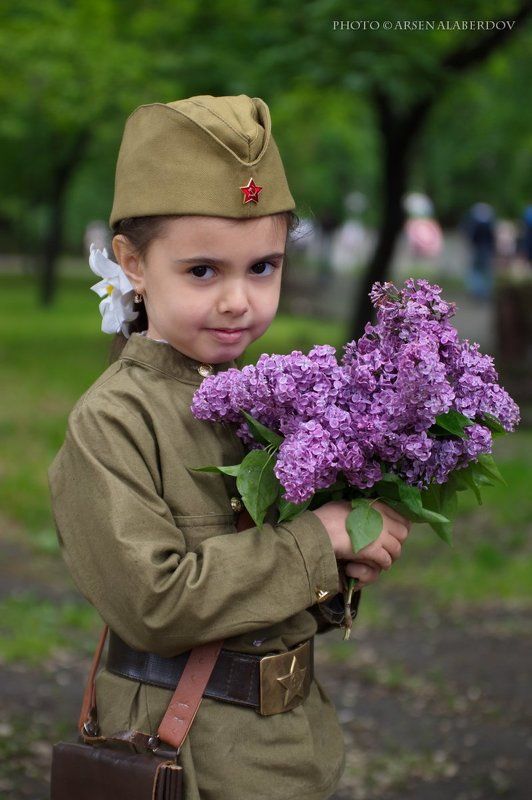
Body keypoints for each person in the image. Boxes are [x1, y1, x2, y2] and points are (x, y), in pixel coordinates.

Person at [47, 95, 410, 800]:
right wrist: (314, 542)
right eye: (204, 271)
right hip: (188, 761)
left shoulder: (269, 395)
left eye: (263, 267)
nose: (239, 300)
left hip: (294, 747)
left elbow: (276, 596)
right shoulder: (115, 420)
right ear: (133, 264)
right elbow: (154, 604)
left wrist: (347, 560)